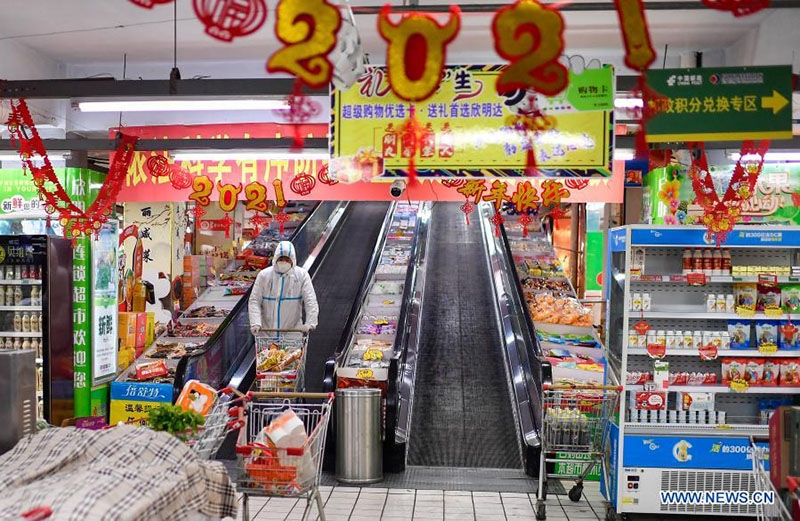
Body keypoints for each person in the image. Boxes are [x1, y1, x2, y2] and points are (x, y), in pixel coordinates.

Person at [248, 240, 319, 335]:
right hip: (266, 334)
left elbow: (310, 300)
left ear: (292, 260)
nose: (284, 262)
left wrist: (310, 323)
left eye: (287, 260)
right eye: (281, 259)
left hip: (292, 334)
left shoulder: (301, 276)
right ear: (276, 258)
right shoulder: (264, 275)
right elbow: (255, 300)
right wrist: (255, 323)